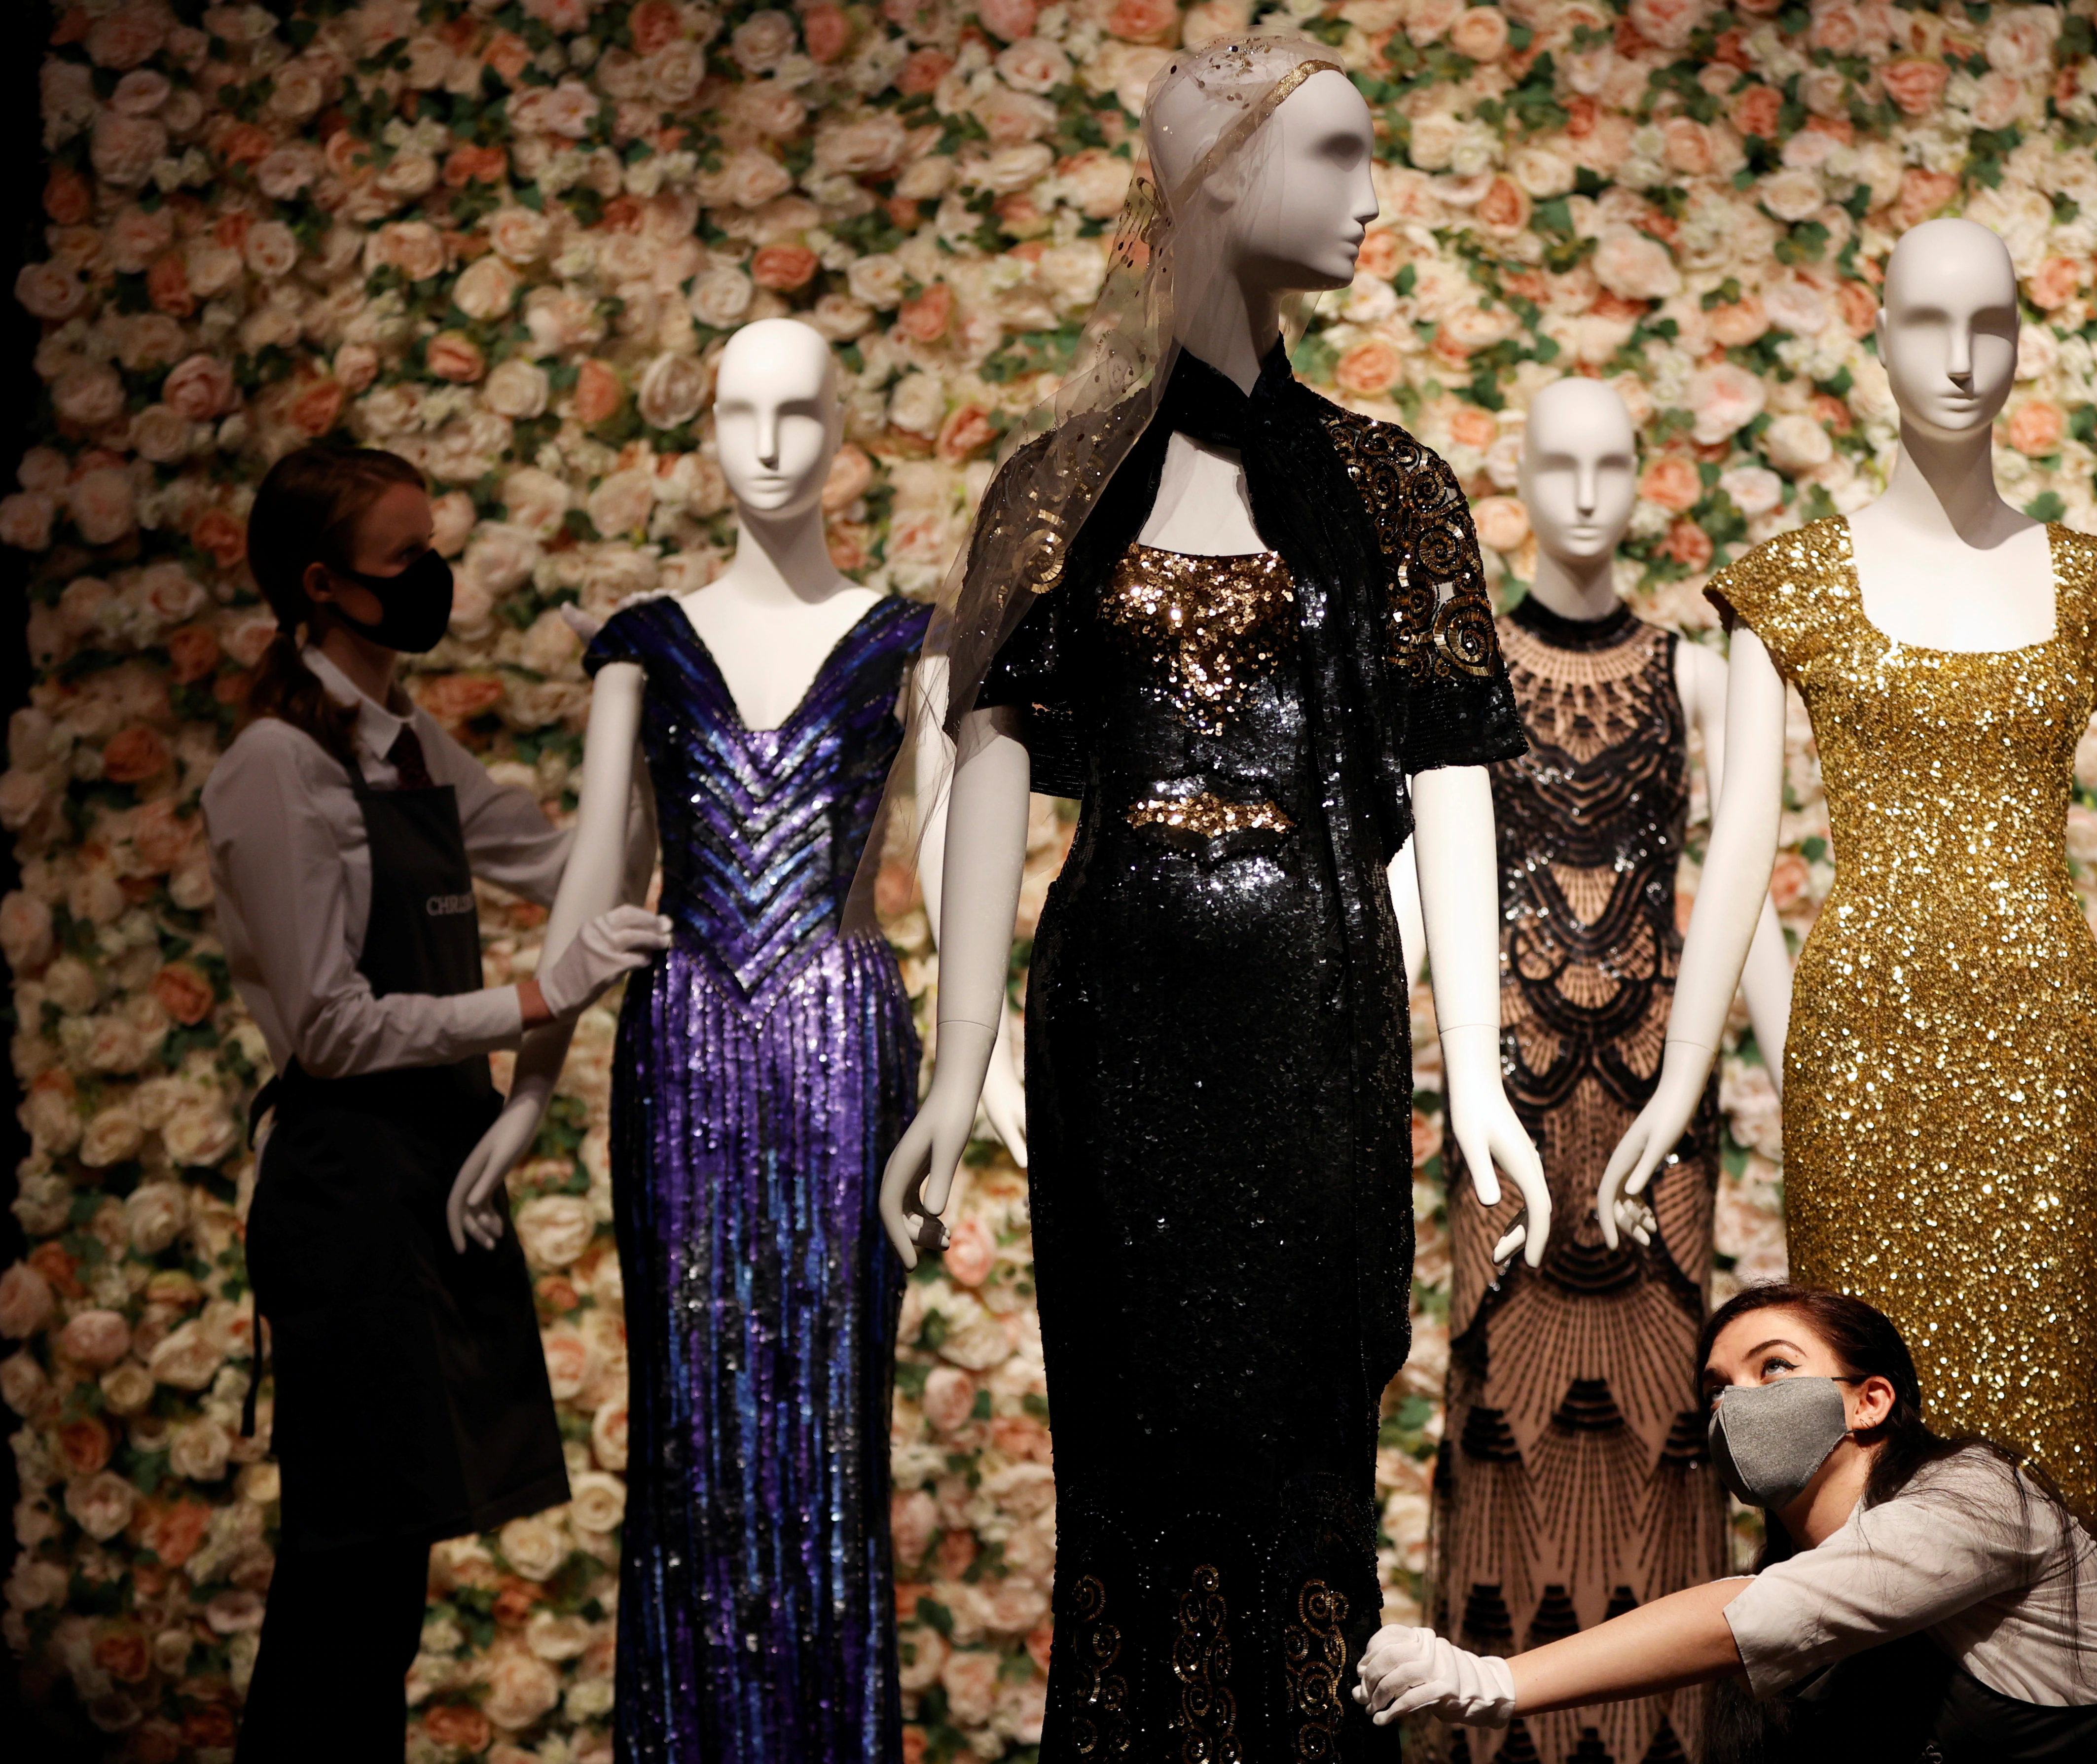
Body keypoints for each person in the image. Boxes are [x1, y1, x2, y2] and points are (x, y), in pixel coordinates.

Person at [873, 37, 1552, 1761]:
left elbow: (1457, 763)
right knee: (1129, 1468)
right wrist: (962, 1064)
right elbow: (995, 752)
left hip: (1314, 1026)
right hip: (1118, 1027)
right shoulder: (1059, 489)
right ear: (1219, 179)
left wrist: (1476, 1071)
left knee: (1302, 1461)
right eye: (1336, 155)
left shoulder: (1393, 488)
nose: (1374, 196)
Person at [1595, 218, 2097, 1514]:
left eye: (1992, 324)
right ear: (1878, 341)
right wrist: (1675, 1077)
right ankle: (1873, 1709)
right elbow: (1740, 834)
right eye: (1928, 322)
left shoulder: (2091, 588)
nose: (1962, 356)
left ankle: (2039, 1704)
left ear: (2024, 342)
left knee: (2032, 1428)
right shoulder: (1796, 583)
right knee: (1867, 1435)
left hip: (2040, 1052)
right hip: (1860, 1048)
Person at [440, 321, 1020, 1762]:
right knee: (690, 1436)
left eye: (798, 414)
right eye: (739, 414)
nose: (767, 445)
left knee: (830, 1435)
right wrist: (524, 1094)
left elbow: (958, 875)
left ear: (845, 430)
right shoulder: (640, 648)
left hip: (844, 1052)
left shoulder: (915, 643)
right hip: (680, 1050)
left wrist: (987, 1071)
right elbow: (593, 888)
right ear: (706, 430)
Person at [204, 445, 666, 1759]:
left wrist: (638, 716)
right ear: (324, 585)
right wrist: (532, 999)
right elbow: (331, 1028)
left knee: (386, 1591)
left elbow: (569, 865)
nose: (431, 578)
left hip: (424, 1177)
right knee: (342, 1588)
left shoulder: (406, 746)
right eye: (406, 560)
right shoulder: (276, 767)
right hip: (348, 1194)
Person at [1420, 376, 1793, 1764]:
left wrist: (1803, 1067)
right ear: (1520, 476)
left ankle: (1665, 1741)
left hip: (1656, 1117)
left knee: (1665, 1432)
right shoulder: (1473, 673)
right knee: (1502, 1434)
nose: (1585, 492)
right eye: (1557, 465)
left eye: (1611, 464)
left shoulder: (1696, 675)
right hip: (1506, 1106)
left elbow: (1727, 900)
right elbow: (1431, 887)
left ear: (1644, 477)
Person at [1355, 1283, 2097, 1763]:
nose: (1733, 1404)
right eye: (1715, 1389)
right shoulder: (1832, 1623)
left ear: (1869, 1402)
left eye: (1772, 1370)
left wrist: (1493, 1681)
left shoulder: (1976, 1497)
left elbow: (1750, 1612)